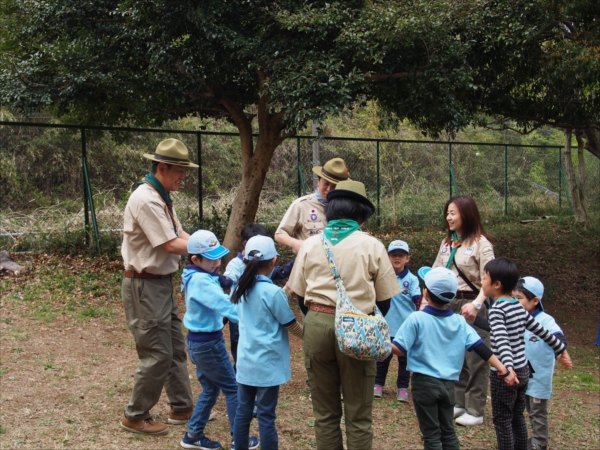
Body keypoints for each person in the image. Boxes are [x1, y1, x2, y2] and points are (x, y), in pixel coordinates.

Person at [288, 180, 400, 450]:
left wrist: (320, 317)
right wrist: (361, 315)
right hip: (359, 327)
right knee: (359, 415)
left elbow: (299, 296)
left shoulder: (311, 245)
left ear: (332, 208)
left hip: (316, 324)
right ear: (361, 213)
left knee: (325, 414)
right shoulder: (372, 245)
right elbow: (385, 301)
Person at [391, 266, 516, 450]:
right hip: (449, 387)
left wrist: (380, 343)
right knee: (448, 431)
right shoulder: (459, 322)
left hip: (424, 384)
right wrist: (504, 370)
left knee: (432, 435)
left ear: (425, 293)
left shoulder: (416, 318)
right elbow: (482, 349)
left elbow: (399, 350)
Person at [120, 138, 197, 436]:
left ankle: (181, 406)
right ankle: (135, 415)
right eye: (179, 170)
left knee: (176, 348)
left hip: (161, 283)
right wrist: (203, 246)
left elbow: (179, 233)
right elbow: (169, 243)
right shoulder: (146, 199)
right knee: (157, 353)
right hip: (144, 285)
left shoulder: (161, 195)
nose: (183, 177)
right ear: (162, 167)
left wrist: (203, 245)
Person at [179, 230, 258, 450]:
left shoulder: (196, 275)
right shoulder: (202, 282)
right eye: (212, 260)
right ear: (196, 259)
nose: (218, 263)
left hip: (199, 343)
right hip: (208, 345)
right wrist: (250, 319)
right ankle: (239, 440)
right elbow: (224, 306)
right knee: (233, 388)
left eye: (219, 257)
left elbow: (220, 290)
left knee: (211, 390)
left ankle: (193, 435)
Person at [482, 258, 567, 450]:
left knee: (503, 419)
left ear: (497, 284)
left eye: (484, 278)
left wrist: (507, 369)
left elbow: (502, 341)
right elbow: (540, 330)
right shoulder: (516, 306)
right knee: (517, 416)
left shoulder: (497, 310)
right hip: (523, 371)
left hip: (506, 373)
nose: (481, 281)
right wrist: (560, 348)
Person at [231, 236, 304, 450]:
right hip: (267, 366)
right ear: (273, 262)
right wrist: (310, 336)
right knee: (265, 415)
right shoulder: (272, 293)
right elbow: (290, 325)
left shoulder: (240, 289)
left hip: (245, 363)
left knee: (243, 412)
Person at [431, 194, 495, 426]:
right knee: (455, 354)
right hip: (449, 304)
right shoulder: (447, 243)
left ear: (466, 215)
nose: (448, 217)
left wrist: (477, 304)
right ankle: (458, 403)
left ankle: (475, 409)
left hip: (472, 304)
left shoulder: (481, 243)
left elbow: (490, 279)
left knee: (476, 356)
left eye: (453, 213)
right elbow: (436, 271)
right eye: (447, 213)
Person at [223, 223, 295, 367]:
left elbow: (280, 272)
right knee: (240, 347)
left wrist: (299, 260)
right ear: (245, 244)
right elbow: (227, 281)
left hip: (259, 315)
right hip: (239, 317)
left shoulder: (264, 267)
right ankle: (239, 375)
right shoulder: (236, 264)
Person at [513, 276, 572, 450]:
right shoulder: (516, 317)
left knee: (537, 412)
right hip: (519, 375)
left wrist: (561, 351)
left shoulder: (546, 320)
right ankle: (520, 438)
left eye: (519, 299)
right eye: (513, 298)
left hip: (538, 378)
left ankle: (540, 442)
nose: (515, 302)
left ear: (535, 300)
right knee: (517, 410)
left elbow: (559, 338)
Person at [374, 240, 422, 402]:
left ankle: (402, 388)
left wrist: (421, 312)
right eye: (394, 255)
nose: (397, 258)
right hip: (385, 326)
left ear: (407, 258)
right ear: (388, 257)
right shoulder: (381, 276)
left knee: (405, 360)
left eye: (401, 255)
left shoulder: (412, 279)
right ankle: (378, 384)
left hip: (405, 327)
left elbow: (417, 299)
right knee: (382, 357)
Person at [274, 158, 349, 253]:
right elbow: (279, 234)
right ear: (318, 181)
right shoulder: (301, 205)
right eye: (326, 184)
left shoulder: (346, 209)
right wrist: (296, 243)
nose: (329, 189)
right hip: (310, 264)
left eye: (334, 186)